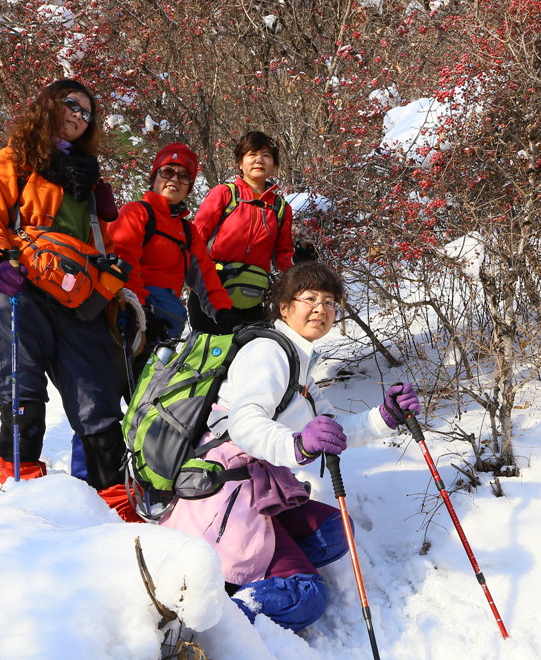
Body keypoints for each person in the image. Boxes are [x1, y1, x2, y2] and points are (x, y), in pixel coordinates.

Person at [160, 261, 421, 631]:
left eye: (330, 301)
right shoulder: (269, 352)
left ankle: (268, 561)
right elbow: (245, 423)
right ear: (284, 308)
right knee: (305, 596)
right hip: (224, 492)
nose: (321, 308)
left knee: (333, 531)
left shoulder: (300, 363)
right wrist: (297, 445)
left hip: (258, 488)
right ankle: (215, 617)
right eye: (309, 298)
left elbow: (332, 429)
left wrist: (386, 416)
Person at [0, 78, 136, 519]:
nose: (79, 116)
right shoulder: (14, 161)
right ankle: (20, 496)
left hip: (77, 296)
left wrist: (115, 286)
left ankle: (116, 502)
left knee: (96, 396)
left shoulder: (89, 178)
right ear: (46, 106)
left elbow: (98, 242)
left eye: (87, 113)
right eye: (71, 105)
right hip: (20, 284)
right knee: (21, 389)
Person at [109, 142, 240, 380]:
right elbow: (123, 261)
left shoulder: (187, 231)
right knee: (126, 388)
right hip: (131, 316)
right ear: (154, 176)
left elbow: (207, 276)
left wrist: (223, 313)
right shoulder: (136, 212)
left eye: (183, 176)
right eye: (167, 171)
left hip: (170, 321)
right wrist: (140, 312)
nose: (175, 179)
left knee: (150, 397)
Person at [188, 131, 295, 331]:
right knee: (210, 355)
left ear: (274, 164)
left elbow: (283, 254)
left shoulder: (280, 208)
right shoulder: (225, 193)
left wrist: (300, 265)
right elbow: (196, 238)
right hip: (213, 290)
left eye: (266, 155)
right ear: (240, 162)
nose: (259, 160)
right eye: (252, 154)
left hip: (253, 295)